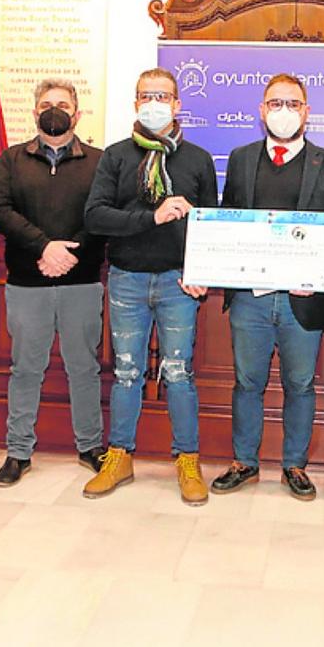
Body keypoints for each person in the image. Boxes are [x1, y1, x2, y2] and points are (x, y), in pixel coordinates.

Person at [208, 74, 324, 501]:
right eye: (276, 102)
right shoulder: (240, 159)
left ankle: (294, 465)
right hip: (250, 300)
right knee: (247, 382)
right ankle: (244, 462)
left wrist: (321, 279)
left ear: (308, 111)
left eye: (293, 103)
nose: (284, 111)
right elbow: (227, 222)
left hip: (302, 303)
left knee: (300, 385)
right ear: (261, 110)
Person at [82, 67, 218, 505]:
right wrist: (151, 216)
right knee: (126, 373)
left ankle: (188, 459)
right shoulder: (116, 156)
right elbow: (96, 216)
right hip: (126, 279)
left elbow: (212, 227)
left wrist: (201, 272)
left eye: (163, 96)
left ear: (178, 104)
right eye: (146, 95)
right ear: (135, 103)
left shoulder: (197, 159)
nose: (154, 103)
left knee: (178, 373)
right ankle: (119, 456)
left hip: (179, 283)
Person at [0, 78, 107, 486]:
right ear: (35, 112)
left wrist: (67, 255)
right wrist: (44, 248)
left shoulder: (99, 160)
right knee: (25, 369)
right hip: (27, 281)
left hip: (82, 282)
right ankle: (18, 451)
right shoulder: (11, 159)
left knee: (84, 368)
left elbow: (102, 214)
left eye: (62, 103)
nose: (53, 109)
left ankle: (91, 446)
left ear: (77, 114)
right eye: (45, 103)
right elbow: (0, 210)